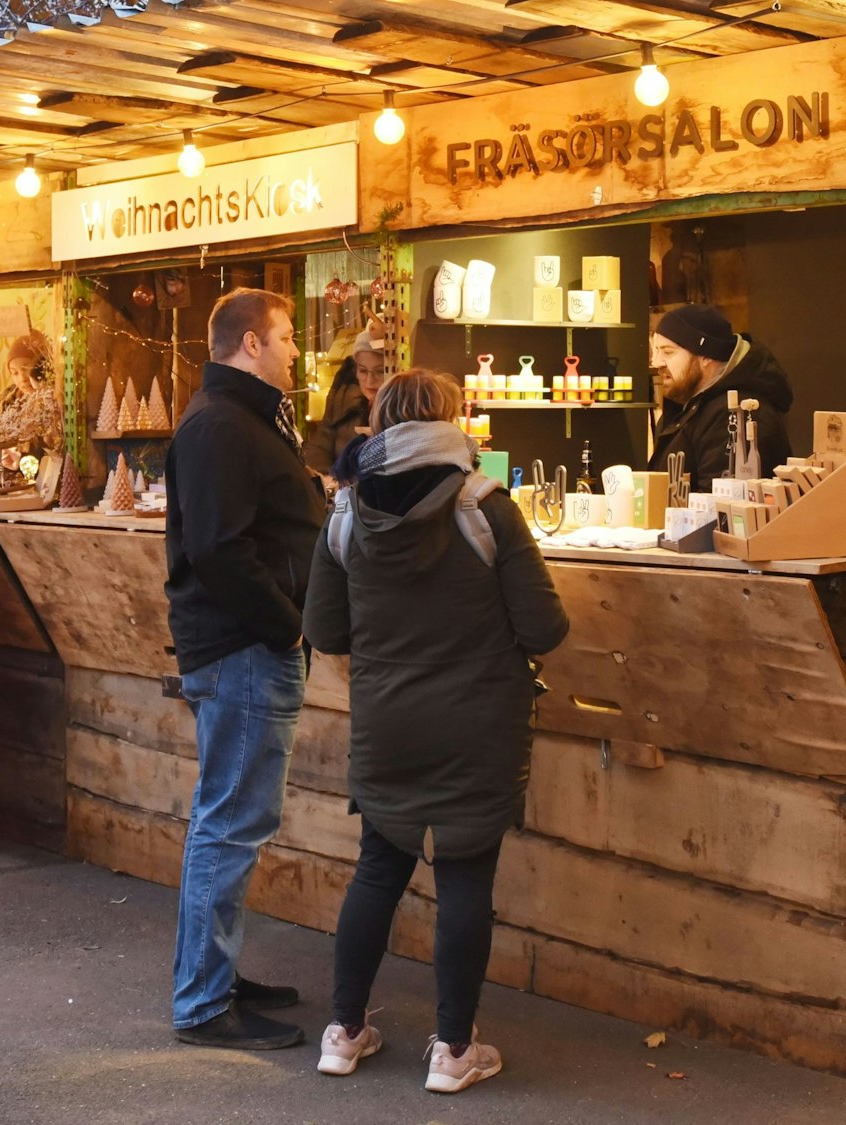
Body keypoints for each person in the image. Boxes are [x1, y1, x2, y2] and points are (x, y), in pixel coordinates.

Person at [303, 369, 569, 1094]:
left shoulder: (349, 511)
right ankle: (453, 1050)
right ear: (454, 418)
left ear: (383, 423)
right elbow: (546, 623)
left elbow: (324, 627)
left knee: (377, 869)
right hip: (478, 724)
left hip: (387, 720)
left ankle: (343, 1031)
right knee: (464, 877)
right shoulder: (486, 507)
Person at [165, 288, 326, 1051]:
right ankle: (202, 1001)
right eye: (288, 337)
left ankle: (215, 975)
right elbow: (218, 549)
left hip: (247, 647)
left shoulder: (245, 419)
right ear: (251, 344)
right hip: (244, 649)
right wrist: (288, 627)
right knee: (229, 826)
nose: (298, 349)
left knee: (228, 821)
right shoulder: (221, 426)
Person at [646, 304, 795, 492]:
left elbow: (720, 509)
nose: (656, 362)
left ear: (706, 356)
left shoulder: (739, 413)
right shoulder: (686, 407)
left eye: (668, 352)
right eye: (655, 351)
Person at [0, 331, 63, 474]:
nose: (22, 378)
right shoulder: (7, 401)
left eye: (26, 369)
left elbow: (51, 455)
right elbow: (5, 450)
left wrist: (3, 467)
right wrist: (0, 463)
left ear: (42, 367)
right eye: (14, 373)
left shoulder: (53, 401)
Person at [300, 331, 386, 475]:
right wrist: (327, 479)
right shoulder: (344, 399)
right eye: (363, 371)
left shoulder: (400, 408)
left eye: (380, 371)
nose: (370, 381)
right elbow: (320, 445)